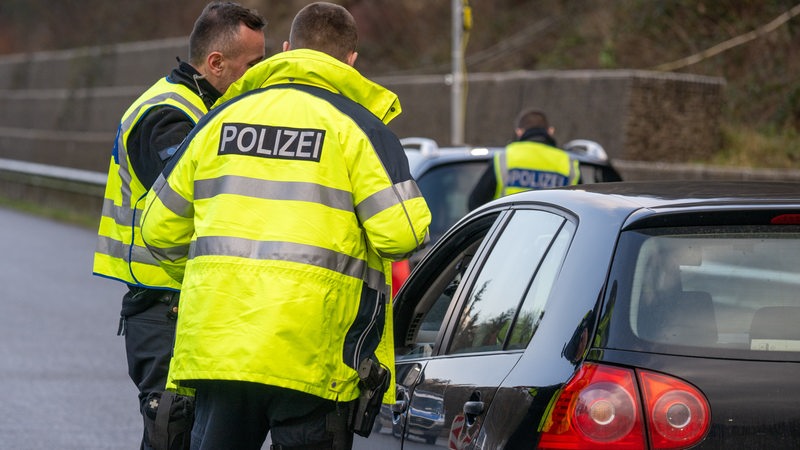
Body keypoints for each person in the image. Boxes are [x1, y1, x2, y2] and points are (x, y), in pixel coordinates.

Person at [140, 2, 431, 449]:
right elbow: (402, 234)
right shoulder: (360, 129)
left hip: (220, 349)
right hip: (313, 357)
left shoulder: (219, 119)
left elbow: (158, 229)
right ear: (351, 61)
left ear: (285, 49)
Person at [92, 3, 265, 449]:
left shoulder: (209, 110)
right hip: (164, 305)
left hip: (190, 304)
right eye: (252, 65)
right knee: (174, 428)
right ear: (215, 63)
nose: (258, 75)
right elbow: (196, 201)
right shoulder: (167, 115)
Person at [468, 108, 580, 210]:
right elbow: (582, 202)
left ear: (519, 132)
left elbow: (475, 203)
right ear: (550, 131)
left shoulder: (504, 158)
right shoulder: (568, 162)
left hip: (511, 230)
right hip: (557, 231)